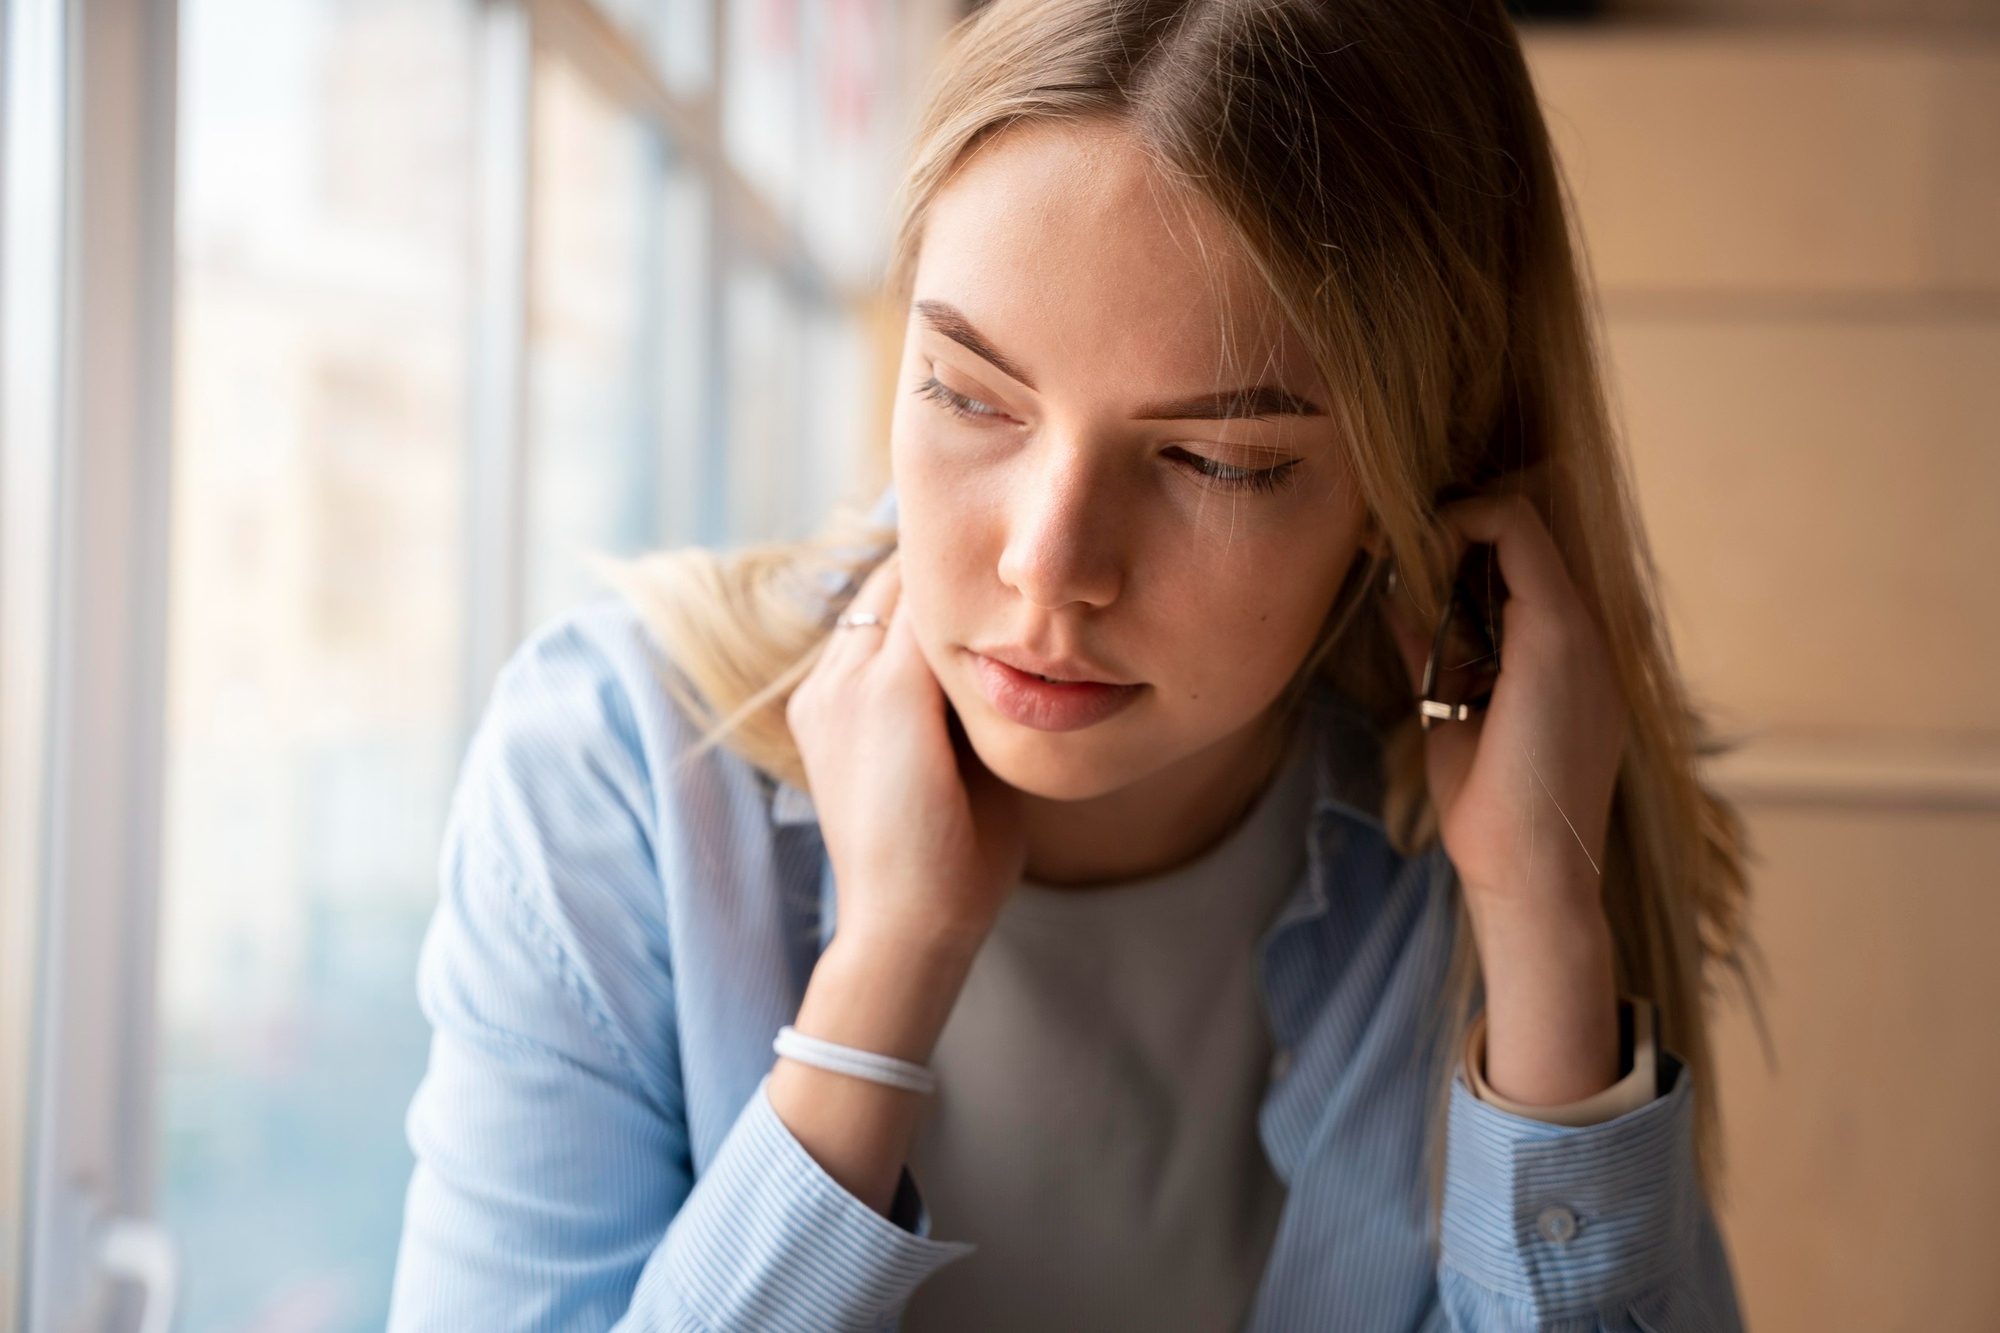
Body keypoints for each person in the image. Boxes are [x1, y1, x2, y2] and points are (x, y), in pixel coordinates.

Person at [388, 0, 1752, 1327]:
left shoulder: (1495, 828)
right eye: (969, 391)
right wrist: (884, 980)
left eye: (1217, 459)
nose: (1049, 564)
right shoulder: (614, 778)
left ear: (1415, 487)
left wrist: (1543, 925)